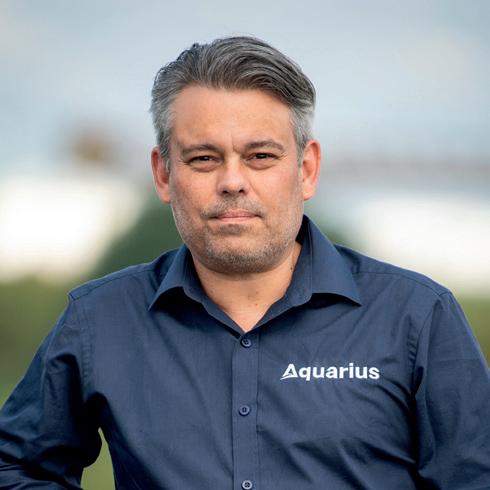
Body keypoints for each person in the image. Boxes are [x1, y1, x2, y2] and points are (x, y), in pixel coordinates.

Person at [0, 36, 489, 490]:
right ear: (164, 174)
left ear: (307, 169)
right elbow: (15, 467)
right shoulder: (100, 320)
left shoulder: (417, 318)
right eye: (203, 159)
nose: (232, 182)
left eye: (259, 156)